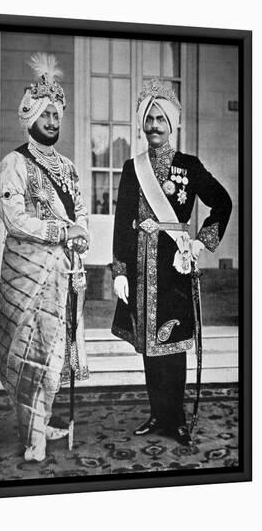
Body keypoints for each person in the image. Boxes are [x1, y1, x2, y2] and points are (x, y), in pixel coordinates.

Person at [111, 78, 232, 446]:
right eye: (149, 119)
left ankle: (176, 419)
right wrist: (119, 270)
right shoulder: (134, 168)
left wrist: (199, 243)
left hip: (174, 267)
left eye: (161, 119)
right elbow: (121, 220)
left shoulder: (190, 166)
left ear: (173, 123)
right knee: (149, 347)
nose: (154, 127)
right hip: (140, 265)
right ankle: (157, 414)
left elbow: (222, 203)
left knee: (173, 344)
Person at [0, 53, 90, 462]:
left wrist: (81, 233)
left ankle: (43, 421)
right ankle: (32, 435)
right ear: (29, 116)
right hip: (27, 274)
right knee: (28, 354)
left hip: (63, 274)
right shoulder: (13, 163)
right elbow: (15, 219)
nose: (53, 121)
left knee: (53, 353)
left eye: (57, 114)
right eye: (45, 114)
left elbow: (80, 209)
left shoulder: (68, 167)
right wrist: (59, 231)